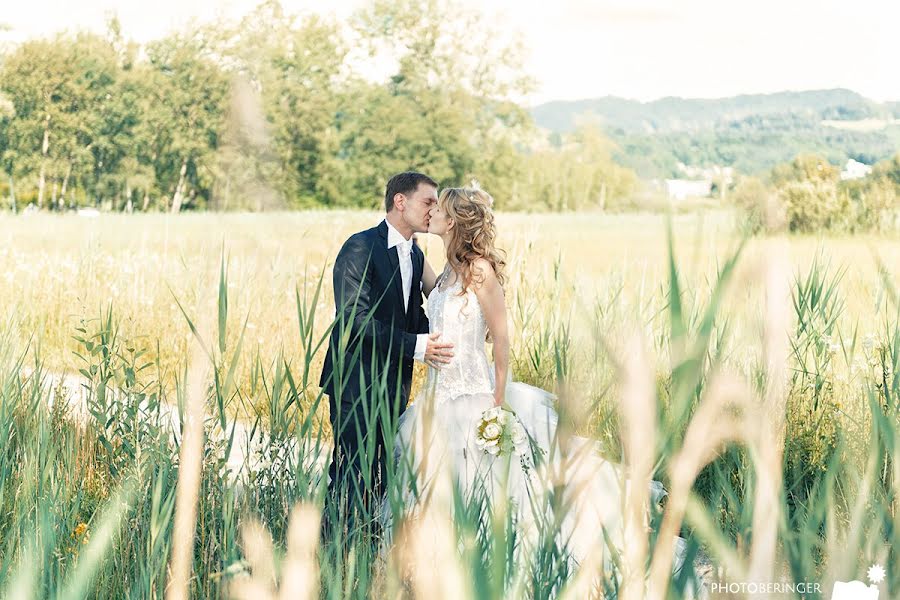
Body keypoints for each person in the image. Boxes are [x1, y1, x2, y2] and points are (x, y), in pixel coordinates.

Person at [387, 184, 698, 593]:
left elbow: (500, 340)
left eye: (438, 210)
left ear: (455, 221)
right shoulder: (444, 270)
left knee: (500, 490)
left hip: (478, 396)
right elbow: (425, 287)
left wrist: (497, 405)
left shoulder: (481, 270)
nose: (431, 215)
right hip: (438, 397)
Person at [319, 171, 454, 537]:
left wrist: (458, 335)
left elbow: (416, 315)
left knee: (381, 472)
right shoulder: (360, 247)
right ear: (400, 201)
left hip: (393, 384)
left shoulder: (414, 251)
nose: (433, 210)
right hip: (355, 381)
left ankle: (365, 553)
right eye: (428, 202)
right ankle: (329, 553)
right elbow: (354, 319)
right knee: (350, 472)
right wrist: (418, 346)